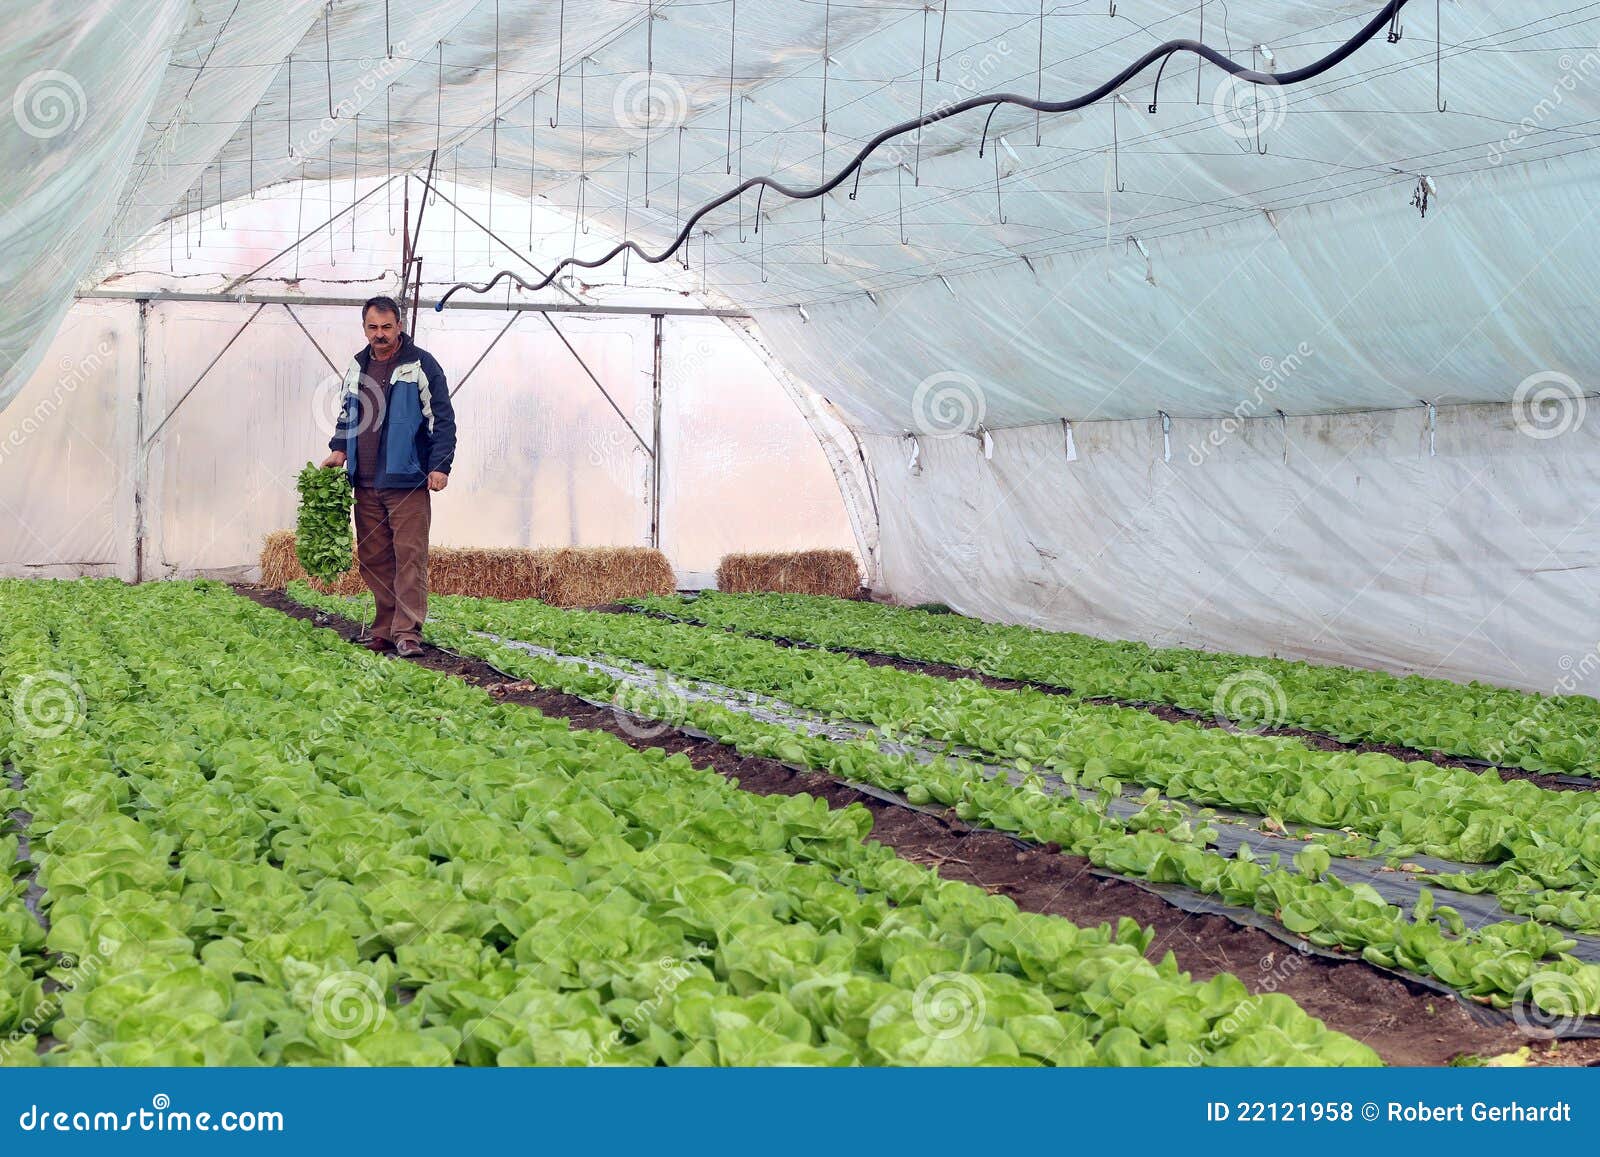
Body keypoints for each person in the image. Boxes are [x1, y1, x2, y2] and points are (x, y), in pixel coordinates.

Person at [320, 296, 455, 658]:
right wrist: (339, 447)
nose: (379, 335)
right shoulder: (358, 365)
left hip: (406, 479)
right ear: (364, 328)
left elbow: (442, 420)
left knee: (409, 556)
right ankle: (384, 629)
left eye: (386, 327)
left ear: (399, 326)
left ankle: (408, 632)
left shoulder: (421, 365)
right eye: (372, 328)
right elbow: (349, 411)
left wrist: (439, 465)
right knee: (374, 557)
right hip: (364, 480)